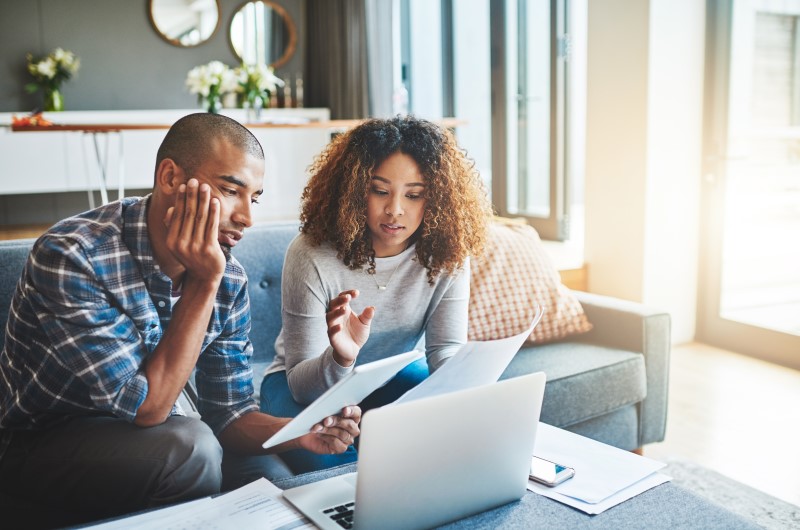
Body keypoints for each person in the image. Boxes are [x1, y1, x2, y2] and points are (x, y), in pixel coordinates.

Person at [0, 113, 360, 527]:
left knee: (280, 491)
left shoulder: (229, 276)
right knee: (193, 450)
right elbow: (147, 408)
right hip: (41, 443)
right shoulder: (73, 257)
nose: (246, 217)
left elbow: (229, 413)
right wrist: (204, 282)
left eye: (254, 198)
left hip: (166, 432)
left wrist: (301, 430)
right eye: (230, 190)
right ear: (170, 177)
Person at [260, 115, 493, 473]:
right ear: (354, 190)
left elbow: (445, 350)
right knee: (342, 471)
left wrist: (463, 389)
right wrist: (340, 358)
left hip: (389, 375)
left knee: (451, 444)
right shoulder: (311, 254)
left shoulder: (448, 252)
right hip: (300, 388)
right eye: (380, 190)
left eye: (414, 195)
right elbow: (300, 384)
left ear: (439, 199)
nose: (395, 209)